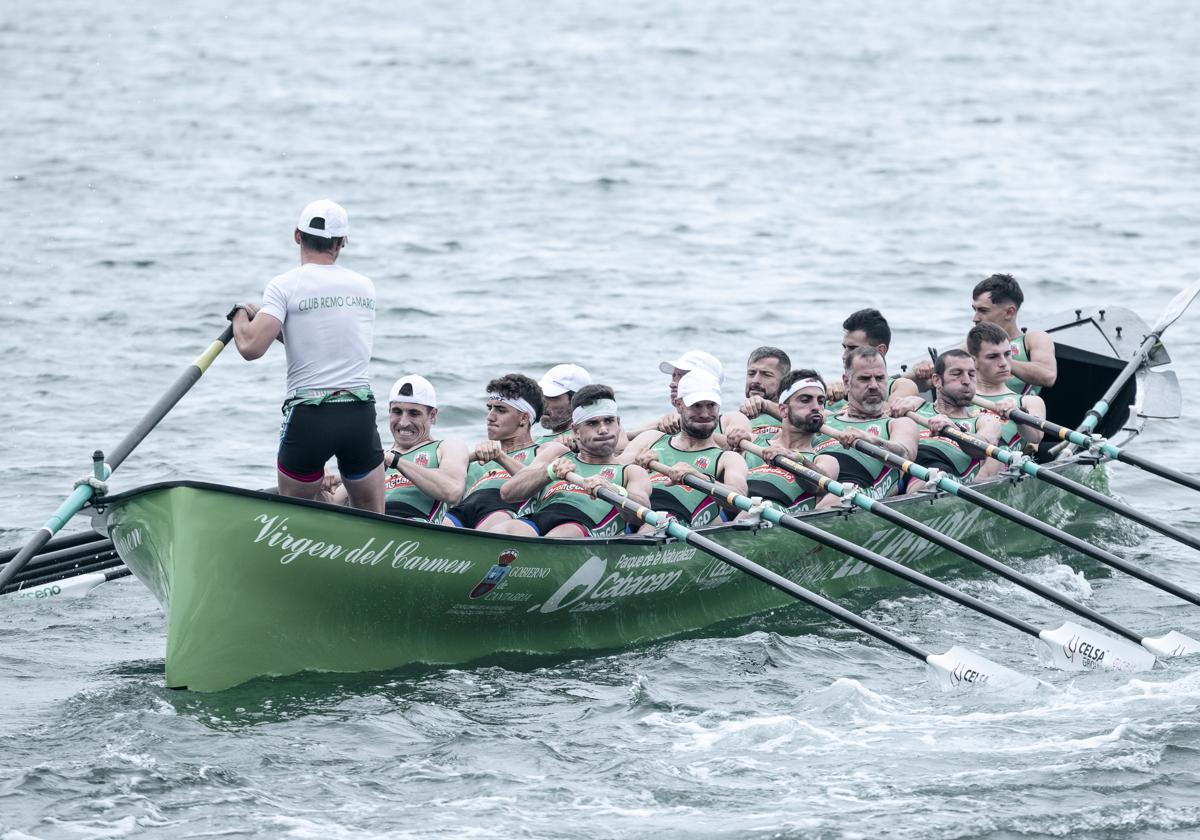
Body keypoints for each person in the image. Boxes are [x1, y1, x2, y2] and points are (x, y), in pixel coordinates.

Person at [229, 199, 384, 512]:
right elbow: (322, 341)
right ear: (342, 243)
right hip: (358, 413)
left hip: (310, 417)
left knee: (296, 516)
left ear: (297, 235)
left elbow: (250, 347)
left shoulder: (283, 286)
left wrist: (239, 315)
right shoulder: (364, 286)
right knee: (373, 515)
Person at [496, 385, 653, 538]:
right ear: (576, 431)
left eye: (609, 421)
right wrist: (549, 472)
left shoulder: (631, 472)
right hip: (537, 521)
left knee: (566, 532)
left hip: (582, 529)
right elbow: (508, 493)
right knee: (507, 528)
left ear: (618, 424)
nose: (603, 429)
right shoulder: (556, 454)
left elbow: (642, 514)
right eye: (592, 423)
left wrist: (613, 489)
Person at [622, 370, 749, 526]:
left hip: (673, 523)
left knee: (658, 523)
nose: (704, 414)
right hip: (634, 516)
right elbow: (610, 467)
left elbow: (740, 500)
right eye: (696, 406)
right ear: (678, 404)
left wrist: (699, 477)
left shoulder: (728, 458)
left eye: (711, 405)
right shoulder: (651, 439)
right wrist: (635, 468)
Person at [726, 370, 842, 513]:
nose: (816, 407)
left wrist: (797, 459)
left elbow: (819, 487)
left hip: (771, 515)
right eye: (805, 400)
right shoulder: (752, 442)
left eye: (820, 401)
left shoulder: (824, 460)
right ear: (783, 410)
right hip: (732, 509)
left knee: (761, 509)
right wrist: (733, 441)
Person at [890, 350, 1005, 493]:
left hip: (938, 470)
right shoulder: (915, 405)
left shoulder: (984, 421)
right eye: (957, 374)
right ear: (937, 380)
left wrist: (954, 430)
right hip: (896, 464)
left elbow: (984, 449)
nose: (966, 381)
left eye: (971, 374)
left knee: (928, 476)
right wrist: (895, 407)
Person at [816, 346, 919, 498]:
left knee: (835, 497)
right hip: (809, 485)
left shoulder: (898, 423)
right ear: (846, 382)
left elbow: (904, 455)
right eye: (864, 379)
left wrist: (869, 439)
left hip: (852, 493)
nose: (873, 385)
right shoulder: (824, 419)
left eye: (879, 378)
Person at [445, 374, 545, 530]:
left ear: (524, 418)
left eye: (500, 410)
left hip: (504, 512)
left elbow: (538, 486)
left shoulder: (542, 452)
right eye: (489, 408)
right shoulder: (476, 460)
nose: (490, 417)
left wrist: (500, 457)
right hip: (462, 511)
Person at [370, 375, 468, 520]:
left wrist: (396, 461)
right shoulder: (379, 457)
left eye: (414, 413)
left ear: (432, 415)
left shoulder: (447, 447)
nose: (403, 423)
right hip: (373, 523)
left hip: (416, 526)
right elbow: (333, 503)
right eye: (397, 412)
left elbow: (452, 490)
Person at [970, 273, 1057, 396]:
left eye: (983, 311)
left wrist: (998, 359)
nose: (975, 318)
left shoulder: (1033, 339)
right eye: (975, 310)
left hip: (1020, 411)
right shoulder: (973, 343)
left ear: (1009, 313)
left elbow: (1048, 376)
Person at [967, 322, 1047, 450]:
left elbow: (1035, 437)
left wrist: (1018, 414)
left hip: (998, 459)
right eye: (993, 356)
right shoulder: (961, 396)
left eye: (1007, 354)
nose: (1004, 363)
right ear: (974, 361)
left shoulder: (1028, 402)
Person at [825, 309, 918, 410]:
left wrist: (849, 395)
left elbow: (889, 412)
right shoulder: (832, 392)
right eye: (845, 347)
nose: (844, 356)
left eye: (854, 349)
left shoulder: (902, 386)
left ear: (880, 350)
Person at [730, 346, 791, 436]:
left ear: (785, 380)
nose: (755, 380)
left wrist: (766, 405)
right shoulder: (730, 420)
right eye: (751, 373)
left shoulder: (802, 416)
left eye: (766, 374)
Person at [535, 363, 592, 445]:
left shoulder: (586, 443)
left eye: (552, 397)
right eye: (542, 395)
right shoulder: (536, 440)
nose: (543, 403)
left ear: (577, 402)